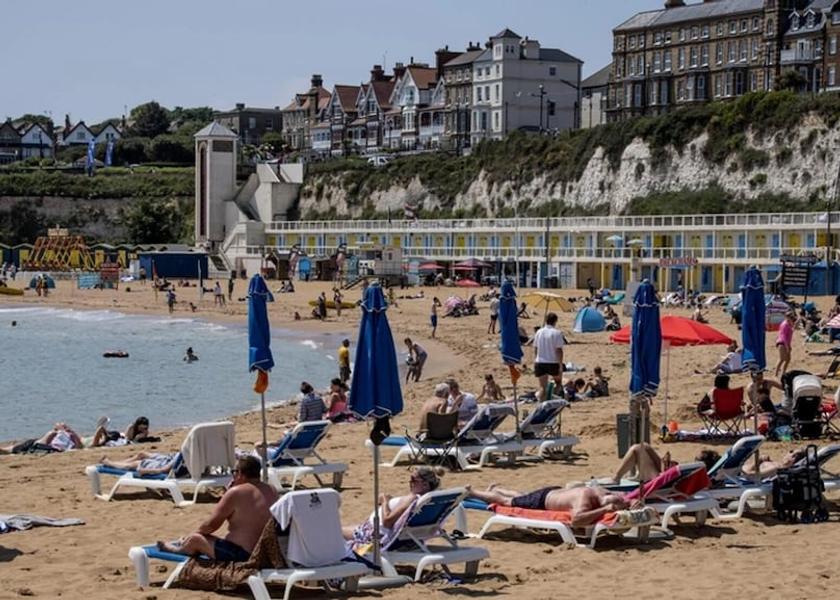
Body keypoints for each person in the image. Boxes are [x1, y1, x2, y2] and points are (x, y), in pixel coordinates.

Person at [156, 456, 278, 562]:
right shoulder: (271, 490)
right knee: (204, 538)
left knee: (196, 539)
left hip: (241, 554)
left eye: (233, 472)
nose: (233, 475)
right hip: (264, 553)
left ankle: (180, 549)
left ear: (240, 473)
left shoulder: (236, 492)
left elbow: (210, 525)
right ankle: (186, 543)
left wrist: (191, 536)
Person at [343, 467, 444, 545]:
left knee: (336, 531)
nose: (410, 483)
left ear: (425, 485)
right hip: (409, 540)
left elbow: (387, 522)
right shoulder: (431, 500)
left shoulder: (413, 498)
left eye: (413, 480)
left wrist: (384, 501)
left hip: (374, 535)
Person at [466, 483, 631, 528]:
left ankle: (497, 489)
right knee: (506, 502)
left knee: (523, 495)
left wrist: (629, 502)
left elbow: (625, 497)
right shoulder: (585, 500)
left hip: (553, 493)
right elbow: (576, 521)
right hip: (543, 501)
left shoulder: (601, 491)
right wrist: (604, 510)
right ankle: (472, 492)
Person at [533, 312, 566, 401]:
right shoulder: (557, 333)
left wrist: (536, 359)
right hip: (552, 362)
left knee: (542, 387)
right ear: (555, 321)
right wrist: (560, 365)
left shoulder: (539, 332)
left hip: (540, 361)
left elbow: (535, 348)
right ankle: (552, 398)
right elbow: (559, 351)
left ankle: (542, 403)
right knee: (558, 382)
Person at [0, 423, 83, 454]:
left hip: (47, 447)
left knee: (49, 435)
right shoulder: (60, 433)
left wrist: (70, 431)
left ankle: (6, 450)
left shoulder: (71, 435)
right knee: (25, 444)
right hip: (42, 444)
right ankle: (5, 450)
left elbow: (79, 446)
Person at [99, 451, 182, 475]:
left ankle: (109, 463)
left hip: (165, 464)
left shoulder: (185, 457)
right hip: (169, 458)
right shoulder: (190, 454)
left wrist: (143, 470)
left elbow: (163, 470)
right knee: (142, 454)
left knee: (135, 464)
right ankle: (117, 462)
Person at [775, 311, 796, 377]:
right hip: (782, 343)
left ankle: (783, 372)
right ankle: (776, 374)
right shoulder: (785, 324)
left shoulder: (789, 324)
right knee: (782, 359)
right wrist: (787, 346)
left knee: (788, 359)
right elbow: (783, 336)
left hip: (786, 343)